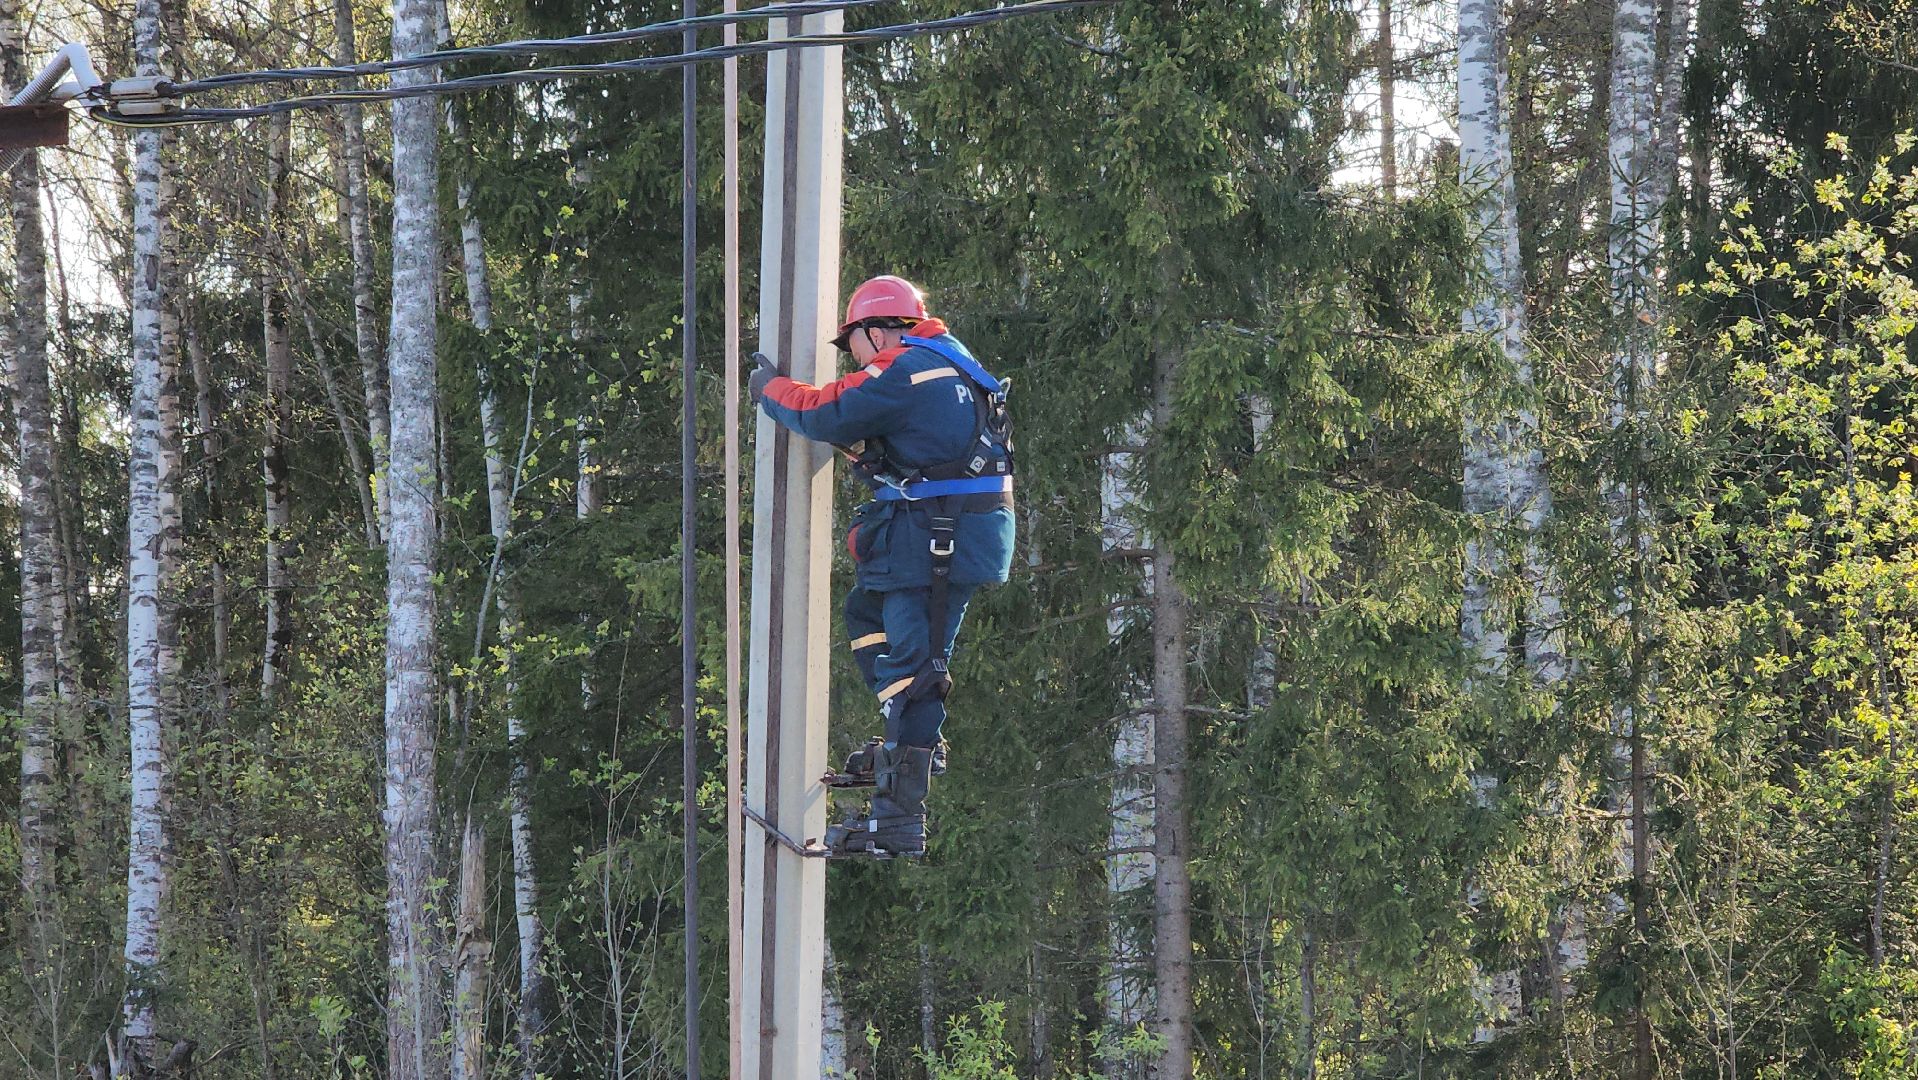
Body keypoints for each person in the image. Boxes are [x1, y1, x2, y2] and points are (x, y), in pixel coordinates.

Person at [749, 275, 1015, 857]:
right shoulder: (958, 365)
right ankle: (911, 739)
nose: (855, 358)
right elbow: (932, 446)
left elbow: (825, 411)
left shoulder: (904, 368)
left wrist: (770, 390)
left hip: (932, 540)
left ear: (877, 330)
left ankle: (898, 816)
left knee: (918, 665)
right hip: (957, 532)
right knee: (866, 613)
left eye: (855, 345)